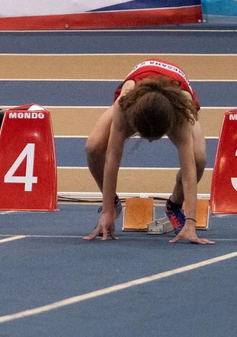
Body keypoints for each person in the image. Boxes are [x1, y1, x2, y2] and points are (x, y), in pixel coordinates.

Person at [84, 60, 210, 244]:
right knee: (93, 146)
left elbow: (188, 167)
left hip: (175, 102)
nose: (150, 141)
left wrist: (191, 222)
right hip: (137, 95)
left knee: (198, 159)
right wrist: (107, 210)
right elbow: (112, 157)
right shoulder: (124, 105)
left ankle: (174, 206)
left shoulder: (181, 112)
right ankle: (114, 204)